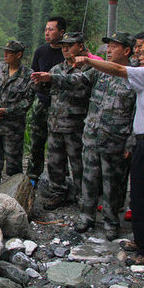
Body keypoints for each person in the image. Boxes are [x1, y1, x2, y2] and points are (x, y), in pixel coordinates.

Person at [73, 35, 144, 265]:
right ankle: (142, 241)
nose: (140, 57)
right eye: (139, 53)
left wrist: (89, 60)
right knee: (142, 195)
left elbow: (119, 71)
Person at [32, 31, 136, 240]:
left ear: (127, 50)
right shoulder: (99, 72)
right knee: (88, 178)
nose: (108, 50)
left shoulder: (135, 76)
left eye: (114, 47)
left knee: (112, 183)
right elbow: (76, 79)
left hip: (115, 140)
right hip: (91, 136)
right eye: (108, 46)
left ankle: (110, 221)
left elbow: (139, 112)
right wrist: (51, 77)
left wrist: (131, 143)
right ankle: (86, 217)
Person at [38, 32, 92, 210]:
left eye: (70, 45)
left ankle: (82, 197)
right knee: (54, 162)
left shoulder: (88, 68)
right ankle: (57, 194)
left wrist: (51, 79)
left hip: (75, 126)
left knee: (78, 164)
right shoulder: (56, 68)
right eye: (63, 46)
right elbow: (47, 90)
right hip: (55, 124)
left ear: (81, 46)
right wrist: (40, 82)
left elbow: (76, 82)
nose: (65, 49)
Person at [0, 40, 35, 193]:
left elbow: (27, 101)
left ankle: (15, 189)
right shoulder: (0, 68)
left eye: (9, 52)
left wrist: (7, 110)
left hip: (14, 126)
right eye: (4, 51)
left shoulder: (28, 75)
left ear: (18, 55)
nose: (5, 55)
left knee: (13, 158)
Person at [27, 17, 66, 185]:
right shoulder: (40, 51)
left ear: (62, 32)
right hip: (41, 103)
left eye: (51, 29)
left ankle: (58, 180)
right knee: (37, 141)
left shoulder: (67, 52)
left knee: (57, 145)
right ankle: (33, 176)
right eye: (46, 29)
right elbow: (33, 73)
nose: (47, 32)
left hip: (61, 105)